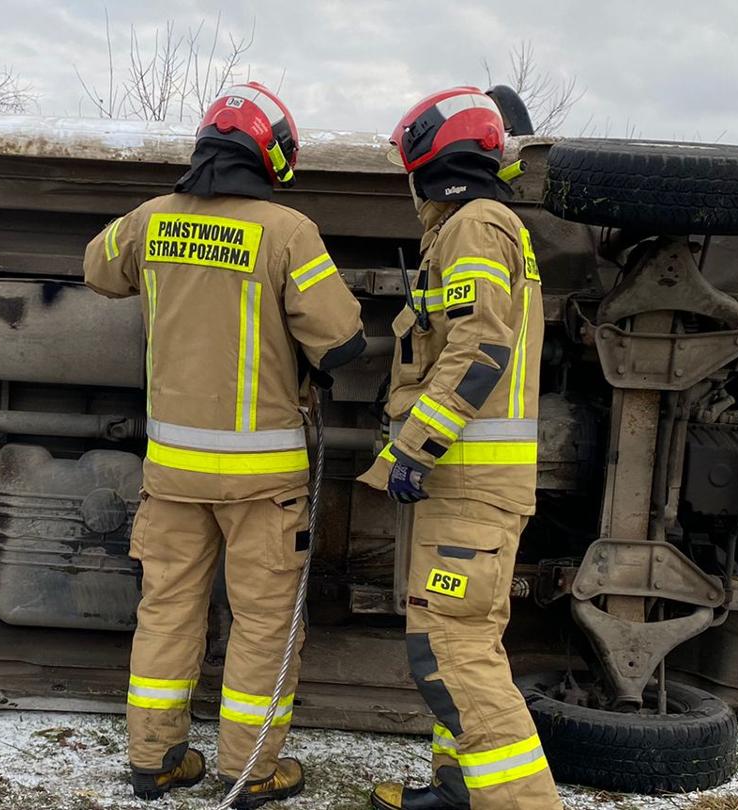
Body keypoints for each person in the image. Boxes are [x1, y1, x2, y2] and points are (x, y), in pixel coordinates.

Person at [82, 81, 367, 808]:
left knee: (167, 611)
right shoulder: (287, 232)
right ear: (273, 155)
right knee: (264, 624)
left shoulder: (152, 219)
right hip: (262, 481)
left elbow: (96, 267)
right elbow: (342, 343)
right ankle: (250, 772)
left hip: (172, 473)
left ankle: (154, 761)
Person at [358, 88, 561, 810]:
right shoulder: (473, 228)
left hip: (469, 483)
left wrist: (415, 447)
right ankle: (461, 788)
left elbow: (480, 348)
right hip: (467, 485)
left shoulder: (474, 226)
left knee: (451, 649)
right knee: (461, 639)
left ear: (432, 162)